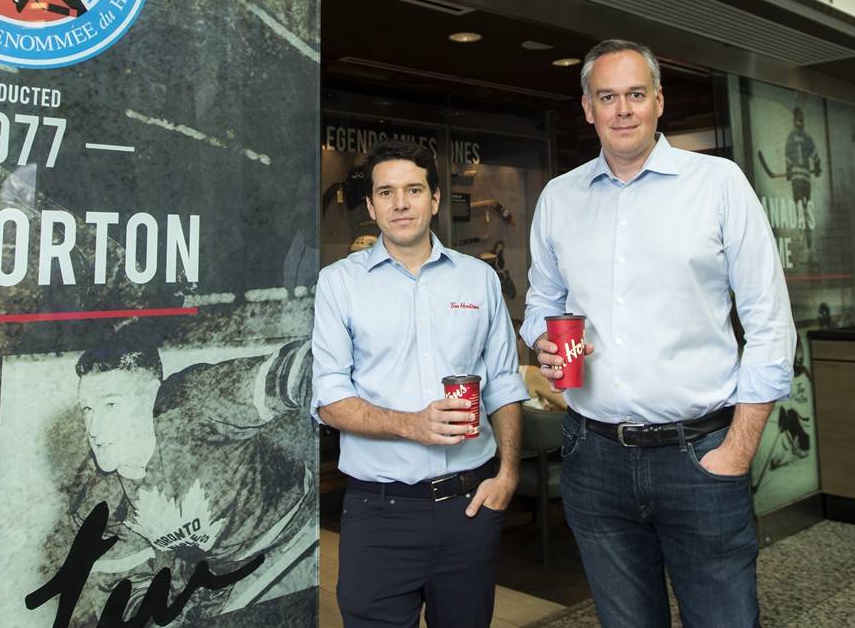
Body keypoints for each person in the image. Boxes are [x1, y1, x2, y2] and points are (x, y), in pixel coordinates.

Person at [522, 39, 794, 628]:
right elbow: (542, 301)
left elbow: (771, 324)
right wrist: (542, 341)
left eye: (636, 95)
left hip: (700, 455)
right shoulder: (558, 198)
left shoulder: (718, 184)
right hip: (593, 457)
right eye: (608, 97)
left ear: (659, 102)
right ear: (587, 108)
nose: (623, 110)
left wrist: (738, 449)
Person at [311, 140, 528, 628]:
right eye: (386, 193)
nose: (400, 203)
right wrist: (413, 424)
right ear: (370, 207)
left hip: (469, 508)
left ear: (434, 199)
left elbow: (504, 385)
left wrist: (508, 472)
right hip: (379, 510)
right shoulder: (338, 284)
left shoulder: (479, 279)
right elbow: (328, 400)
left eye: (413, 189)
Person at [51, 322, 315, 623]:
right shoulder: (98, 496)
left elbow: (304, 366)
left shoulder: (195, 400)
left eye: (110, 404)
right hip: (229, 575)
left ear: (152, 393)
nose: (94, 429)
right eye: (87, 409)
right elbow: (129, 586)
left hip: (298, 538)